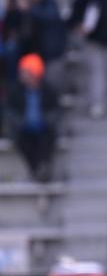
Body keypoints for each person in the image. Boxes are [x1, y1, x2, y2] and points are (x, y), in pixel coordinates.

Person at [6, 53, 60, 182]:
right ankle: (37, 171)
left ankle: (42, 170)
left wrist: (46, 121)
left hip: (44, 128)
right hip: (23, 129)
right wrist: (20, 123)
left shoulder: (48, 91)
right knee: (24, 142)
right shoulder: (16, 91)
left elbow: (55, 112)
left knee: (46, 141)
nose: (22, 75)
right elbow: (11, 113)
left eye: (26, 72)